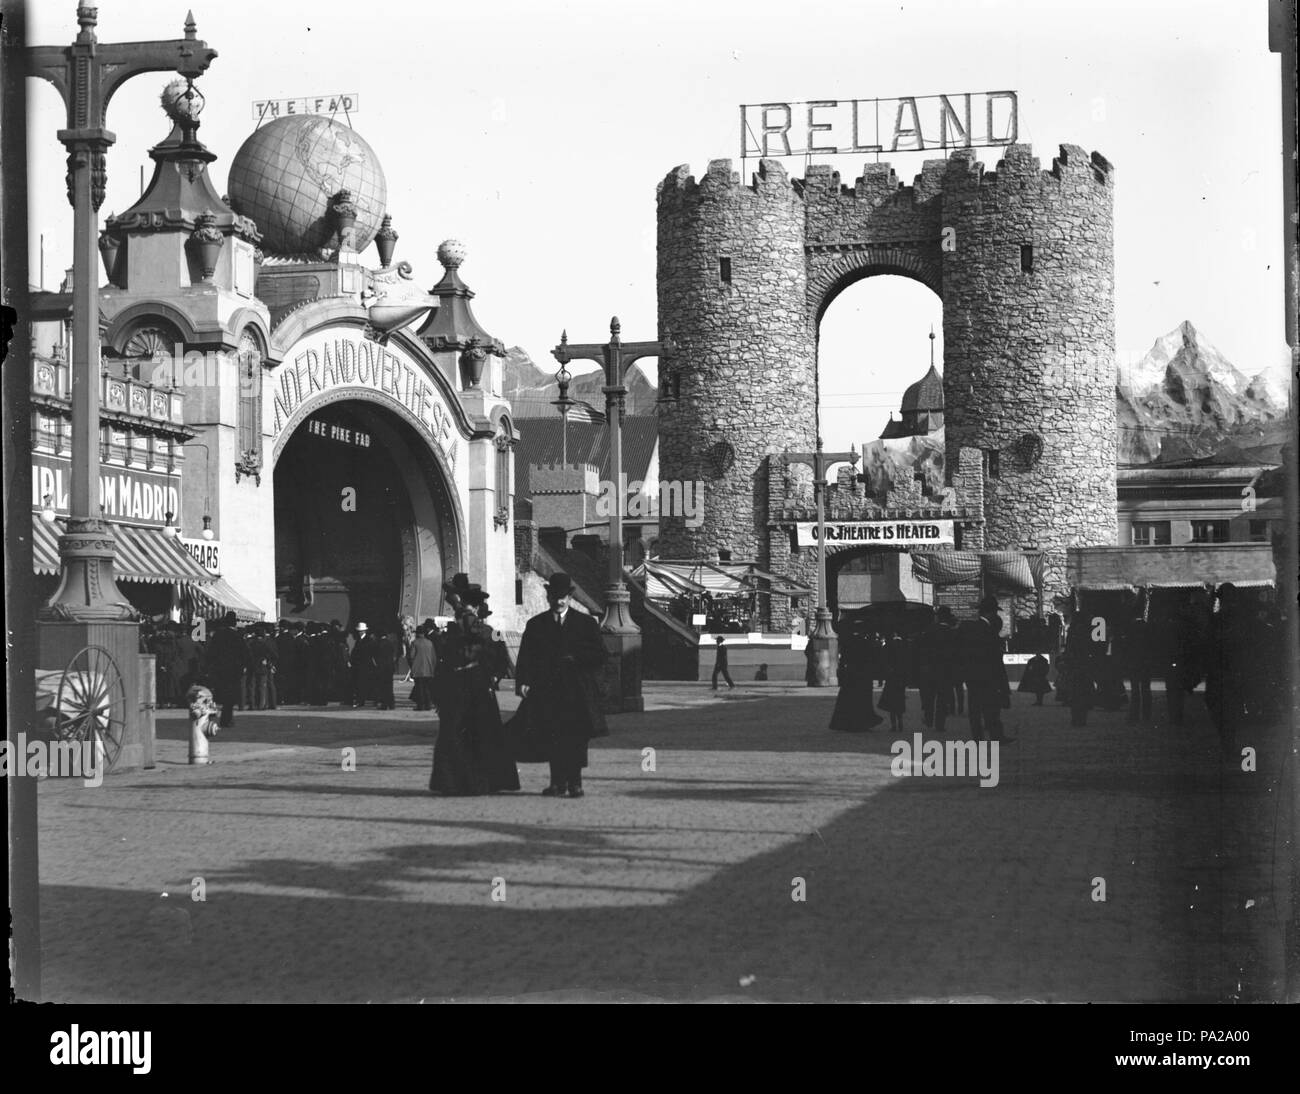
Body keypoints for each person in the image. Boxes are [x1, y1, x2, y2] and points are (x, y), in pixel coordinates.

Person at [514, 572, 608, 798]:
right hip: (548, 691)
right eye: (555, 596)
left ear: (569, 597)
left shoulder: (585, 623)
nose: (559, 601)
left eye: (563, 597)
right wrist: (523, 681)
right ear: (548, 596)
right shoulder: (536, 624)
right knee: (552, 736)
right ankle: (557, 783)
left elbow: (600, 654)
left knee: (576, 738)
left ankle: (575, 783)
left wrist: (577, 658)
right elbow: (525, 656)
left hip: (577, 692)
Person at [428, 577, 520, 795]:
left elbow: (499, 656)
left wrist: (493, 678)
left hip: (476, 686)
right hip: (459, 686)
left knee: (477, 735)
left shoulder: (486, 630)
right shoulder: (455, 630)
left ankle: (479, 782)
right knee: (458, 735)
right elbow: (444, 661)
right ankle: (456, 782)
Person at [205, 612, 247, 729]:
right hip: (234, 670)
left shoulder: (218, 635)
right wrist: (245, 666)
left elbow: (210, 653)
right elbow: (245, 653)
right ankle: (227, 718)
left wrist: (209, 666)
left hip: (219, 669)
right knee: (230, 696)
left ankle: (213, 717)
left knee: (218, 693)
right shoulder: (237, 636)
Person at [877, 633, 908, 732]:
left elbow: (883, 660)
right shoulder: (904, 645)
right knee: (899, 701)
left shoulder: (888, 646)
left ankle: (894, 724)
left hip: (891, 677)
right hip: (901, 676)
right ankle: (900, 722)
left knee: (892, 702)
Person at [409, 625, 438, 711]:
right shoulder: (430, 643)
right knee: (427, 688)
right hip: (429, 668)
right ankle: (428, 705)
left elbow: (411, 656)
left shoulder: (415, 643)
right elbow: (434, 657)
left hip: (418, 669)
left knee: (419, 688)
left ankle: (420, 705)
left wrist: (412, 666)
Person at [372, 626, 397, 710]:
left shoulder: (378, 644)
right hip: (390, 667)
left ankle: (384, 704)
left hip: (381, 668)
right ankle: (391, 703)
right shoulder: (390, 643)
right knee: (389, 686)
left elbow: (375, 657)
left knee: (382, 687)